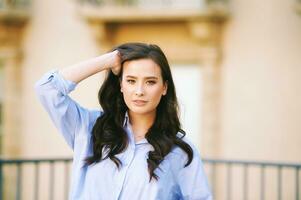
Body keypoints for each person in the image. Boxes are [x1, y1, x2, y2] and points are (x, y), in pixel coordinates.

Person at [35, 42, 212, 200]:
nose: (139, 91)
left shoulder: (180, 152)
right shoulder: (89, 128)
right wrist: (108, 60)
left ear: (164, 87)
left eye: (150, 82)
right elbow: (47, 89)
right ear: (120, 84)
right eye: (131, 81)